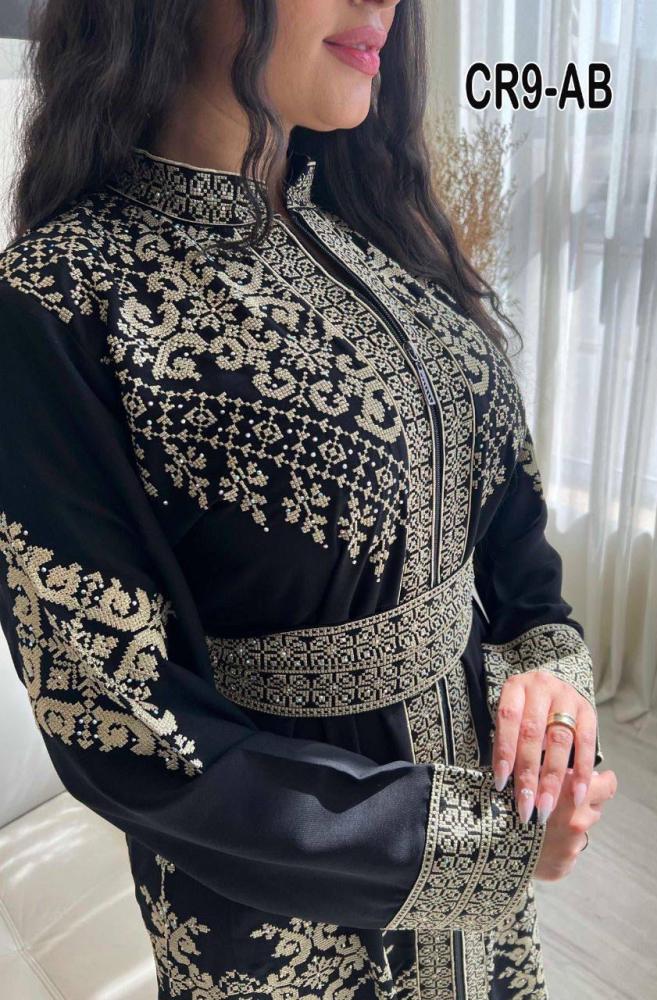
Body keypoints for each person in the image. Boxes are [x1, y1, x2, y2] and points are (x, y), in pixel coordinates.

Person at [0, 0, 617, 997]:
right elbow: (121, 720)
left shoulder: (391, 241)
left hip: (486, 862)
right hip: (275, 918)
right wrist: (469, 844)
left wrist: (548, 683)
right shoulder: (59, 301)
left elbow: (513, 544)